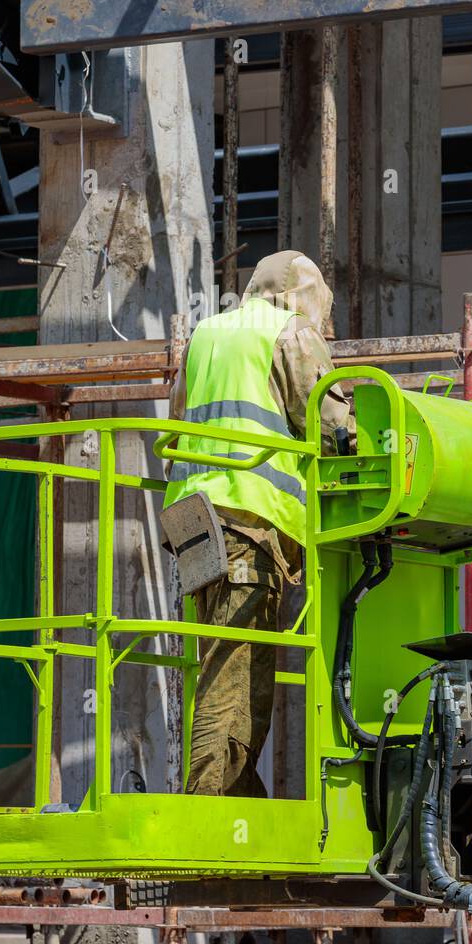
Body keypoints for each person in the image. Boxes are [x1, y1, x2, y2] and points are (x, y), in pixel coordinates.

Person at [164, 250, 352, 797]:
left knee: (219, 655)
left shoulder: (207, 333)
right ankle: (211, 814)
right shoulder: (290, 332)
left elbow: (176, 420)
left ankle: (239, 792)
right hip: (246, 515)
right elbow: (333, 430)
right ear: (299, 296)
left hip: (191, 518)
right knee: (237, 668)